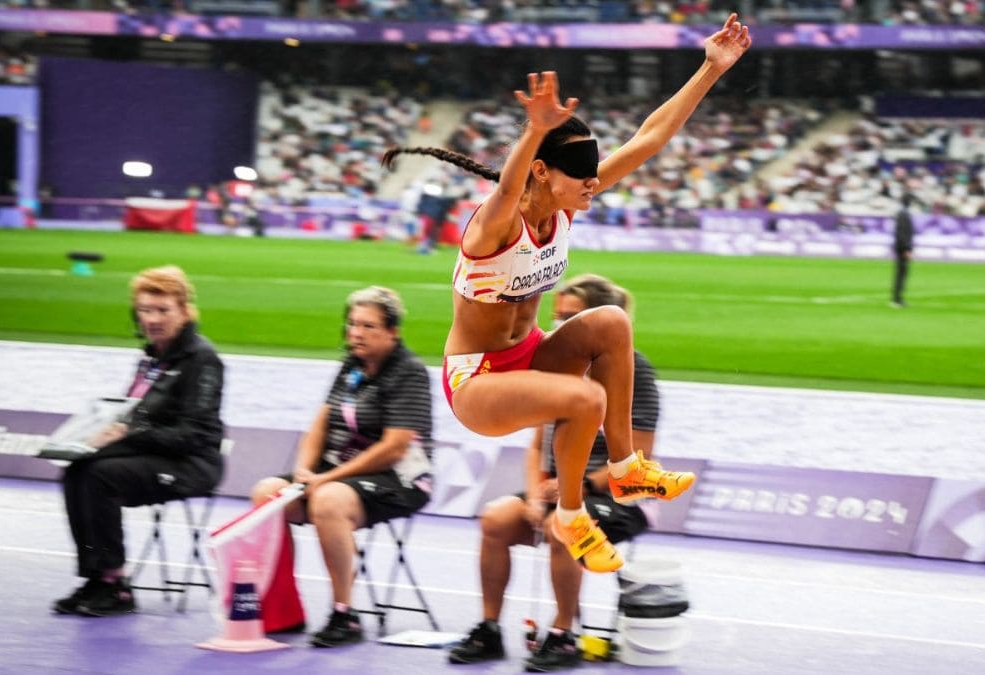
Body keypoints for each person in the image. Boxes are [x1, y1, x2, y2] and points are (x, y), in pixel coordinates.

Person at [382, 13, 750, 575]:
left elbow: (650, 138)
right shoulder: (495, 225)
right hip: (478, 379)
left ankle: (627, 466)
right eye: (580, 175)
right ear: (541, 171)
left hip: (527, 354)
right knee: (584, 400)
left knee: (610, 322)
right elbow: (507, 187)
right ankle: (571, 516)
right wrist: (534, 128)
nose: (594, 183)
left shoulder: (564, 206)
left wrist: (710, 68)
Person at [448, 274, 659, 670]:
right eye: (558, 316)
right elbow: (536, 445)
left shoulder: (634, 371)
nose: (560, 327)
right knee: (495, 520)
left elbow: (641, 451)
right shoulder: (557, 362)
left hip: (613, 494)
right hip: (557, 489)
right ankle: (489, 628)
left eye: (571, 318)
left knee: (562, 531)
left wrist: (569, 487)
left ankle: (563, 635)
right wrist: (535, 491)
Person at [250, 286, 433, 648]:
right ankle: (282, 610)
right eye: (352, 324)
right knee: (267, 493)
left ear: (392, 331)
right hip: (334, 472)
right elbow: (321, 423)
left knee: (328, 501)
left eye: (368, 326)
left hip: (398, 479)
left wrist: (324, 479)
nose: (356, 333)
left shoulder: (409, 373)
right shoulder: (350, 367)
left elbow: (394, 447)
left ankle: (343, 613)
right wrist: (303, 471)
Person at [54, 265, 225, 617]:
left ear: (184, 310)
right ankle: (96, 577)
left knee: (101, 476)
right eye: (146, 310)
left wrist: (130, 434)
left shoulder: (202, 359)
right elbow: (134, 411)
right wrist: (101, 431)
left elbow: (192, 434)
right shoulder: (151, 355)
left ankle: (116, 585)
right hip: (153, 453)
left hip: (191, 464)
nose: (153, 319)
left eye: (163, 310)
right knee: (77, 469)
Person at [891, 194, 915, 308]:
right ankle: (897, 299)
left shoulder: (902, 213)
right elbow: (903, 233)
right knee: (901, 273)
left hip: (900, 246)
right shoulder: (904, 214)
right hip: (902, 248)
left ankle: (897, 298)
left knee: (901, 273)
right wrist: (906, 249)